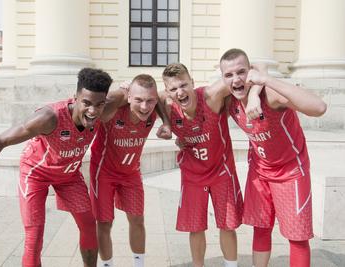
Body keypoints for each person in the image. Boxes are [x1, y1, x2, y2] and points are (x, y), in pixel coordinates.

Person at [0, 67, 113, 267]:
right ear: (75, 98)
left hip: (68, 176)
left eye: (99, 104)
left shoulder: (101, 112)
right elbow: (1, 139)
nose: (93, 111)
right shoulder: (49, 117)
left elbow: (135, 95)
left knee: (88, 224)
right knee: (34, 236)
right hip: (35, 173)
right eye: (86, 103)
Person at [219, 48, 327, 267]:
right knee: (261, 228)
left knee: (297, 237)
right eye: (229, 75)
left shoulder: (271, 96)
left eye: (241, 72)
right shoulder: (229, 100)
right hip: (260, 170)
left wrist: (265, 81)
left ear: (250, 73)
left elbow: (319, 107)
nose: (236, 79)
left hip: (291, 172)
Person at [161, 63, 254, 267]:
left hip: (221, 171)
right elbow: (144, 95)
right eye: (173, 89)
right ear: (167, 92)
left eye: (184, 85)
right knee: (195, 228)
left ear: (193, 82)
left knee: (227, 226)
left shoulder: (211, 96)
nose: (180, 92)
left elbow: (246, 73)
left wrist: (254, 96)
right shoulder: (168, 107)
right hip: (193, 174)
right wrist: (167, 126)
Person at [90, 74, 171, 267]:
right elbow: (100, 104)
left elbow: (162, 97)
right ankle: (107, 265)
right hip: (104, 172)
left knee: (137, 220)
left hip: (131, 173)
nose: (145, 106)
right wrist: (120, 90)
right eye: (139, 100)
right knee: (104, 223)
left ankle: (139, 264)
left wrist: (166, 123)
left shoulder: (153, 112)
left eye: (149, 100)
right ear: (128, 97)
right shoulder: (114, 111)